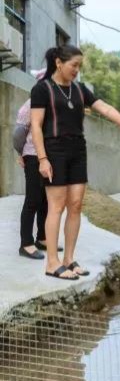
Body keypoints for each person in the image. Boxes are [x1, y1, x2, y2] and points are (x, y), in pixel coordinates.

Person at [30, 45, 120, 280]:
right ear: (59, 63)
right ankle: (52, 263)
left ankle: (69, 259)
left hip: (77, 150)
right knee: (57, 206)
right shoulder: (42, 89)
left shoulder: (80, 90)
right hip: (54, 150)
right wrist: (42, 158)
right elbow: (35, 125)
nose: (77, 70)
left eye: (79, 66)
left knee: (75, 205)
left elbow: (104, 108)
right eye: (74, 65)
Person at [13, 68, 64, 260]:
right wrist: (21, 153)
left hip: (51, 158)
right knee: (33, 199)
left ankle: (42, 238)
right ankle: (25, 244)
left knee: (45, 200)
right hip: (34, 156)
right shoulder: (31, 105)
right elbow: (19, 133)